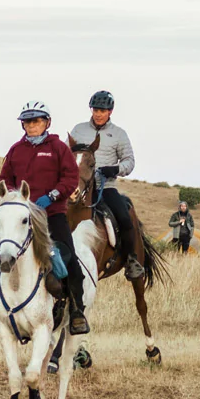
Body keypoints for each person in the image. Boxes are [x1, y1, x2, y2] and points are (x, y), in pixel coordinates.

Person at [0, 102, 89, 335]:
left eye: (36, 121)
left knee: (70, 259)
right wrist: (13, 199)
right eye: (27, 121)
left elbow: (70, 177)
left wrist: (53, 195)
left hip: (51, 214)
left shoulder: (58, 148)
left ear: (47, 122)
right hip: (21, 216)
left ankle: (76, 311)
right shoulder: (16, 150)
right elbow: (5, 179)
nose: (31, 125)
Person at [70, 89, 145, 280]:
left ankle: (131, 260)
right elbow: (66, 156)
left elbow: (129, 161)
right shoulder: (78, 130)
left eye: (102, 110)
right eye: (95, 109)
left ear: (110, 111)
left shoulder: (119, 134)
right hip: (79, 187)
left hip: (106, 187)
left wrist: (115, 169)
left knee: (125, 218)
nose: (98, 113)